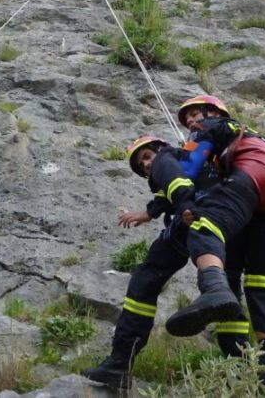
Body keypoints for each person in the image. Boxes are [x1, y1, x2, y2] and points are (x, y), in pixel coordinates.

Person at [165, 111, 265, 390]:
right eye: (187, 119)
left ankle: (214, 290)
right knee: (261, 282)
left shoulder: (211, 126)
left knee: (204, 226)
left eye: (195, 114)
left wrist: (168, 157)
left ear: (214, 113)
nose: (191, 122)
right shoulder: (248, 135)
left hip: (253, 176)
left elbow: (190, 165)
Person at [82, 132, 211, 389]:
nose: (147, 164)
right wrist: (150, 213)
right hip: (206, 216)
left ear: (159, 148)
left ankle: (120, 363)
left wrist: (187, 210)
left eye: (147, 156)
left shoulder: (165, 158)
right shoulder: (180, 161)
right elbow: (172, 189)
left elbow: (179, 187)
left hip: (190, 219)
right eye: (142, 164)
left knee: (144, 281)